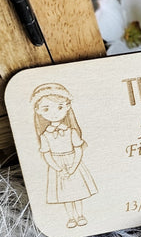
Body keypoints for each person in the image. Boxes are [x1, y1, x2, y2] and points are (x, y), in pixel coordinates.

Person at [31, 83, 97, 229]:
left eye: (59, 107)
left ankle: (80, 215)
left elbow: (79, 150)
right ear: (38, 111)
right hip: (57, 166)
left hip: (73, 162)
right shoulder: (45, 136)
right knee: (66, 195)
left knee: (77, 193)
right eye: (46, 108)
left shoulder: (71, 131)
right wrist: (58, 169)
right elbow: (46, 155)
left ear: (67, 107)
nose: (54, 113)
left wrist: (73, 167)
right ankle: (71, 218)